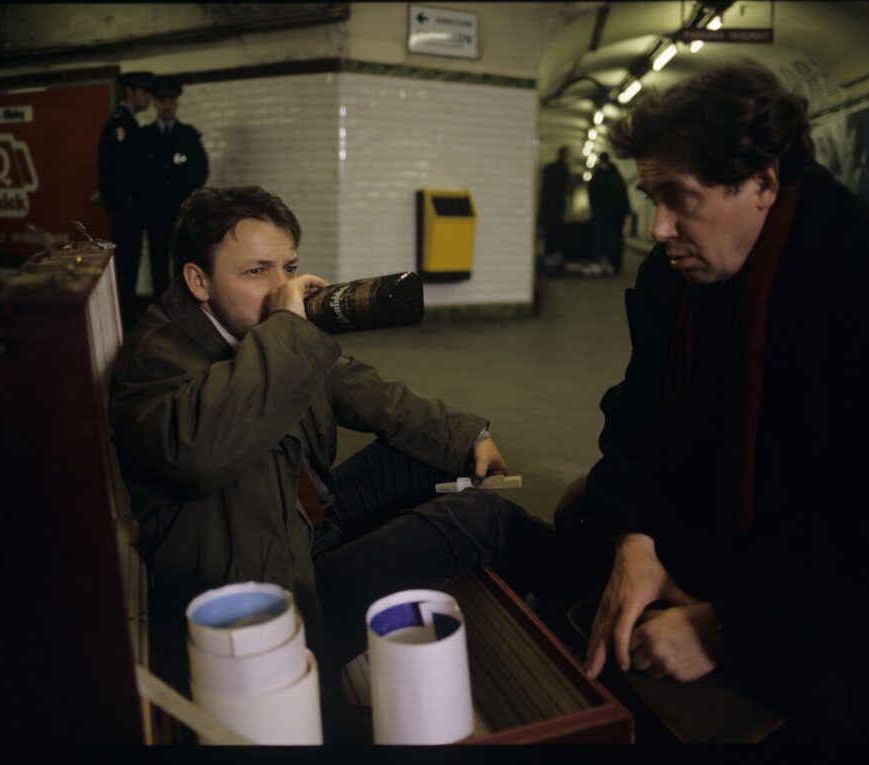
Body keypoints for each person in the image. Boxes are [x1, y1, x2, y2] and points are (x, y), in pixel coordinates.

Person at [556, 62, 869, 742]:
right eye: (650, 196)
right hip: (722, 526)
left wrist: (726, 628)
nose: (657, 229)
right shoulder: (673, 274)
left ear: (764, 182)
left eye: (679, 197)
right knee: (579, 520)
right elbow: (637, 411)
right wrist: (636, 538)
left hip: (837, 578)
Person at [107, 186, 557, 714]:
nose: (282, 287)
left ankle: (554, 603)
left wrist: (467, 436)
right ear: (197, 280)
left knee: (433, 454)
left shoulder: (260, 329)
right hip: (283, 596)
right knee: (483, 519)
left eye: (289, 266)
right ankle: (584, 601)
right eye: (256, 271)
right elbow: (203, 451)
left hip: (304, 524)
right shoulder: (156, 361)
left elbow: (356, 385)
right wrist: (289, 330)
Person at [137, 76, 209, 302]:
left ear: (176, 103)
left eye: (171, 101)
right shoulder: (144, 136)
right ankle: (162, 308)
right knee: (157, 261)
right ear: (156, 104)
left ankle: (183, 307)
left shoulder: (188, 135)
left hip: (181, 211)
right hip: (154, 211)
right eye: (162, 101)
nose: (167, 106)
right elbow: (136, 174)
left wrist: (187, 198)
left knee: (181, 260)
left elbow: (201, 171)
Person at [99, 70, 155, 331]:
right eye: (144, 92)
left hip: (135, 209)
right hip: (127, 210)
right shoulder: (120, 125)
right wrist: (120, 203)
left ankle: (125, 316)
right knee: (125, 267)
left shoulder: (131, 124)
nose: (148, 98)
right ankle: (122, 321)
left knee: (130, 266)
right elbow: (114, 170)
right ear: (129, 92)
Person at [587, 152, 631, 276]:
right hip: (615, 214)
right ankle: (613, 264)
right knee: (614, 238)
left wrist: (594, 208)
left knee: (599, 237)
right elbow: (623, 195)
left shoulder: (598, 175)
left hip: (601, 212)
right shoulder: (616, 175)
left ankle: (597, 262)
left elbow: (592, 193)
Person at [538, 146, 571, 271]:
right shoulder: (563, 169)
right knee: (557, 235)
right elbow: (564, 191)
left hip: (547, 206)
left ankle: (548, 261)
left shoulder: (548, 168)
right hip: (557, 207)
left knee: (549, 235)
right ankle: (554, 263)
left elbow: (544, 189)